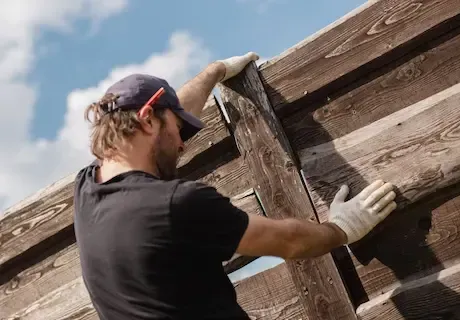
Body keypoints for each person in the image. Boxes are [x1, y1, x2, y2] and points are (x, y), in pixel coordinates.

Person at [73, 52, 397, 320]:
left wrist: (214, 72)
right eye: (175, 128)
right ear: (146, 120)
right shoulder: (175, 204)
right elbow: (289, 241)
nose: (182, 144)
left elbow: (168, 117)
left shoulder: (87, 190)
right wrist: (342, 228)